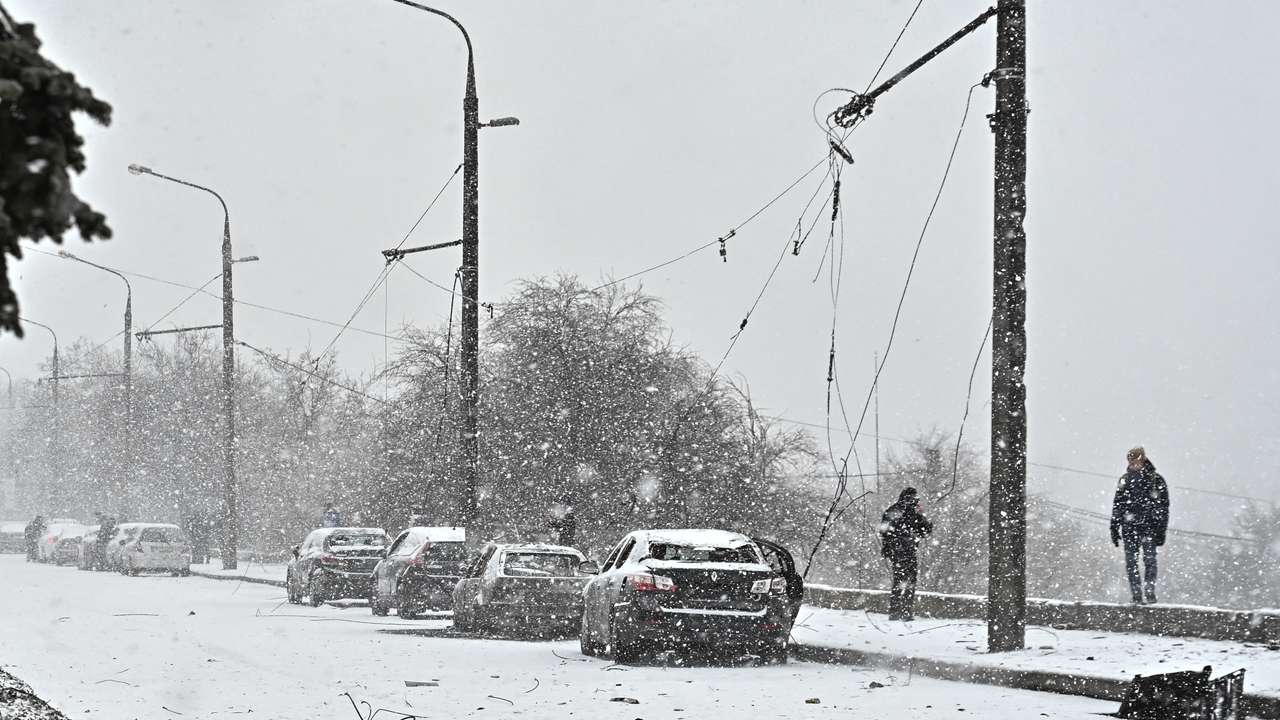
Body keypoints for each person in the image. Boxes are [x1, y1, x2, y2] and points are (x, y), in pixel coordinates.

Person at [1110, 446, 1169, 605]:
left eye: (1137, 462)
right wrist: (1114, 527)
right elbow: (1118, 505)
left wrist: (1161, 529)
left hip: (1149, 527)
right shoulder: (1125, 480)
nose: (1134, 465)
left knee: (1150, 560)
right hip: (1129, 528)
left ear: (1143, 461)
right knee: (1131, 562)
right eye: (1131, 462)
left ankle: (1149, 590)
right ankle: (1136, 593)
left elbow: (1163, 507)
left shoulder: (1156, 480)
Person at [878, 487, 933, 621]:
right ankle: (905, 611)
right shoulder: (911, 512)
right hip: (906, 550)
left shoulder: (893, 511)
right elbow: (924, 531)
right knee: (909, 581)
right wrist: (925, 521)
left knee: (899, 580)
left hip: (897, 551)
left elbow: (884, 531)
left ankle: (896, 611)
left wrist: (888, 546)